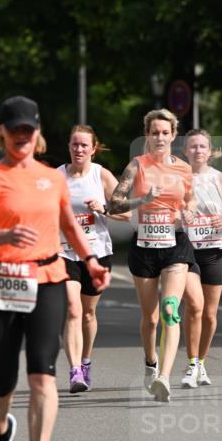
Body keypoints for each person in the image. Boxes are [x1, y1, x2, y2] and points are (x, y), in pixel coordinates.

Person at [0, 96, 110, 441]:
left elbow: (70, 225)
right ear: (2, 134)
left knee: (42, 376)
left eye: (28, 130)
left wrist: (92, 260)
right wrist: (5, 235)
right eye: (14, 131)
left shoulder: (53, 178)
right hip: (1, 281)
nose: (21, 137)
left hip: (48, 277)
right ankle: (0, 430)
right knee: (2, 382)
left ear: (38, 133)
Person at [108, 108, 195, 403]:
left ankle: (164, 377)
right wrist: (143, 199)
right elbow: (114, 204)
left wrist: (189, 212)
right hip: (144, 247)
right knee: (151, 318)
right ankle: (150, 363)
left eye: (165, 132)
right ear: (147, 135)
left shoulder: (184, 169)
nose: (160, 137)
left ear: (173, 135)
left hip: (175, 245)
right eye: (154, 132)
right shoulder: (137, 165)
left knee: (171, 308)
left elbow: (191, 202)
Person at [58, 125, 129, 392]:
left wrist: (104, 208)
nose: (79, 150)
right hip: (63, 251)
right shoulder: (57, 177)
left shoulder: (102, 176)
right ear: (69, 146)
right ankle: (75, 370)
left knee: (88, 313)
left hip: (97, 253)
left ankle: (86, 361)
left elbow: (127, 213)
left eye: (84, 145)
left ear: (93, 148)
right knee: (73, 310)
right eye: (75, 144)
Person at [181, 130, 222, 387]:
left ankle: (202, 363)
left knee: (209, 313)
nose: (198, 151)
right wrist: (181, 216)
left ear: (209, 151)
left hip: (216, 250)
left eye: (202, 146)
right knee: (194, 307)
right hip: (186, 251)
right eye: (193, 147)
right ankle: (192, 363)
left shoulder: (220, 179)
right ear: (185, 151)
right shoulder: (179, 178)